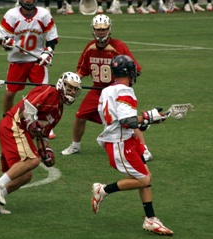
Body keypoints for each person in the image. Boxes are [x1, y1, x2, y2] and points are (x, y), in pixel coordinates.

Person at [91, 55, 173, 236]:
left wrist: (146, 121)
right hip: (120, 143)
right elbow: (126, 120)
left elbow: (123, 121)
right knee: (143, 179)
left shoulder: (107, 90)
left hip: (126, 138)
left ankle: (150, 219)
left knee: (146, 177)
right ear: (129, 72)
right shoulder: (124, 91)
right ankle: (103, 190)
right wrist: (149, 116)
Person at [0, 72, 82, 214]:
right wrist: (32, 123)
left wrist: (47, 151)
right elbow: (26, 108)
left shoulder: (59, 112)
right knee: (33, 160)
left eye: (74, 90)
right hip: (14, 124)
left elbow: (44, 135)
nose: (72, 92)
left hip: (19, 130)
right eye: (70, 88)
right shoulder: (49, 91)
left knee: (26, 175)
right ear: (61, 84)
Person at [61, 14, 153, 161]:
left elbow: (136, 68)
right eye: (98, 30)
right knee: (80, 116)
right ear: (93, 30)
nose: (100, 32)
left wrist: (126, 82)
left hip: (115, 90)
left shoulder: (118, 46)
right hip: (97, 90)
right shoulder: (90, 47)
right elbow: (81, 70)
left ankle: (145, 150)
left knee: (127, 119)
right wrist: (74, 81)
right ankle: (75, 145)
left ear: (109, 29)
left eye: (103, 29)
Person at [0, 0, 58, 139]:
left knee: (43, 95)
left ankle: (44, 125)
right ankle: (5, 124)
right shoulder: (11, 15)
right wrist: (7, 43)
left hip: (37, 60)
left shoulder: (44, 14)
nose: (28, 1)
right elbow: (2, 40)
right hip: (16, 61)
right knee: (10, 93)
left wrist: (48, 53)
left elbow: (52, 39)